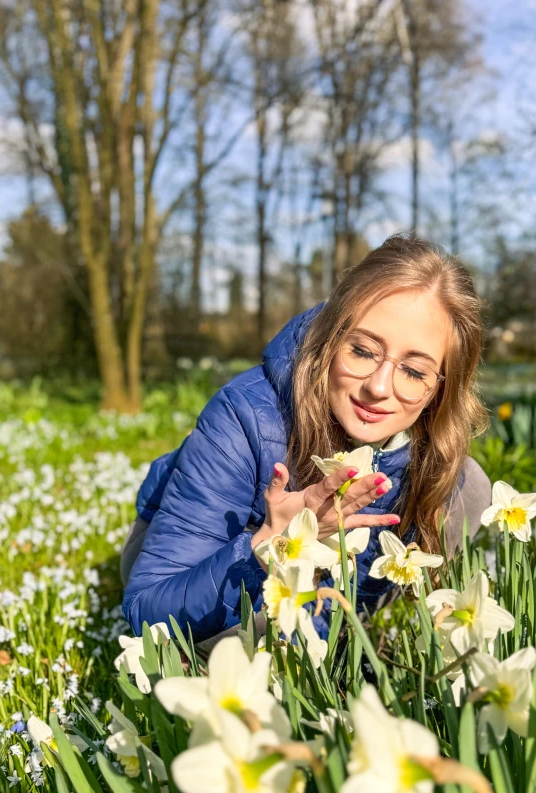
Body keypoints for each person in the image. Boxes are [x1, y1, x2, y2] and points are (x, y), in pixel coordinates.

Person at [121, 234, 492, 647]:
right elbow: (146, 607)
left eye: (414, 372)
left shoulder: (432, 454)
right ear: (332, 339)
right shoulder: (245, 419)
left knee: (470, 486)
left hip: (317, 602)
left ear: (441, 387)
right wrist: (270, 542)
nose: (379, 387)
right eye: (363, 351)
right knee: (259, 632)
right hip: (196, 568)